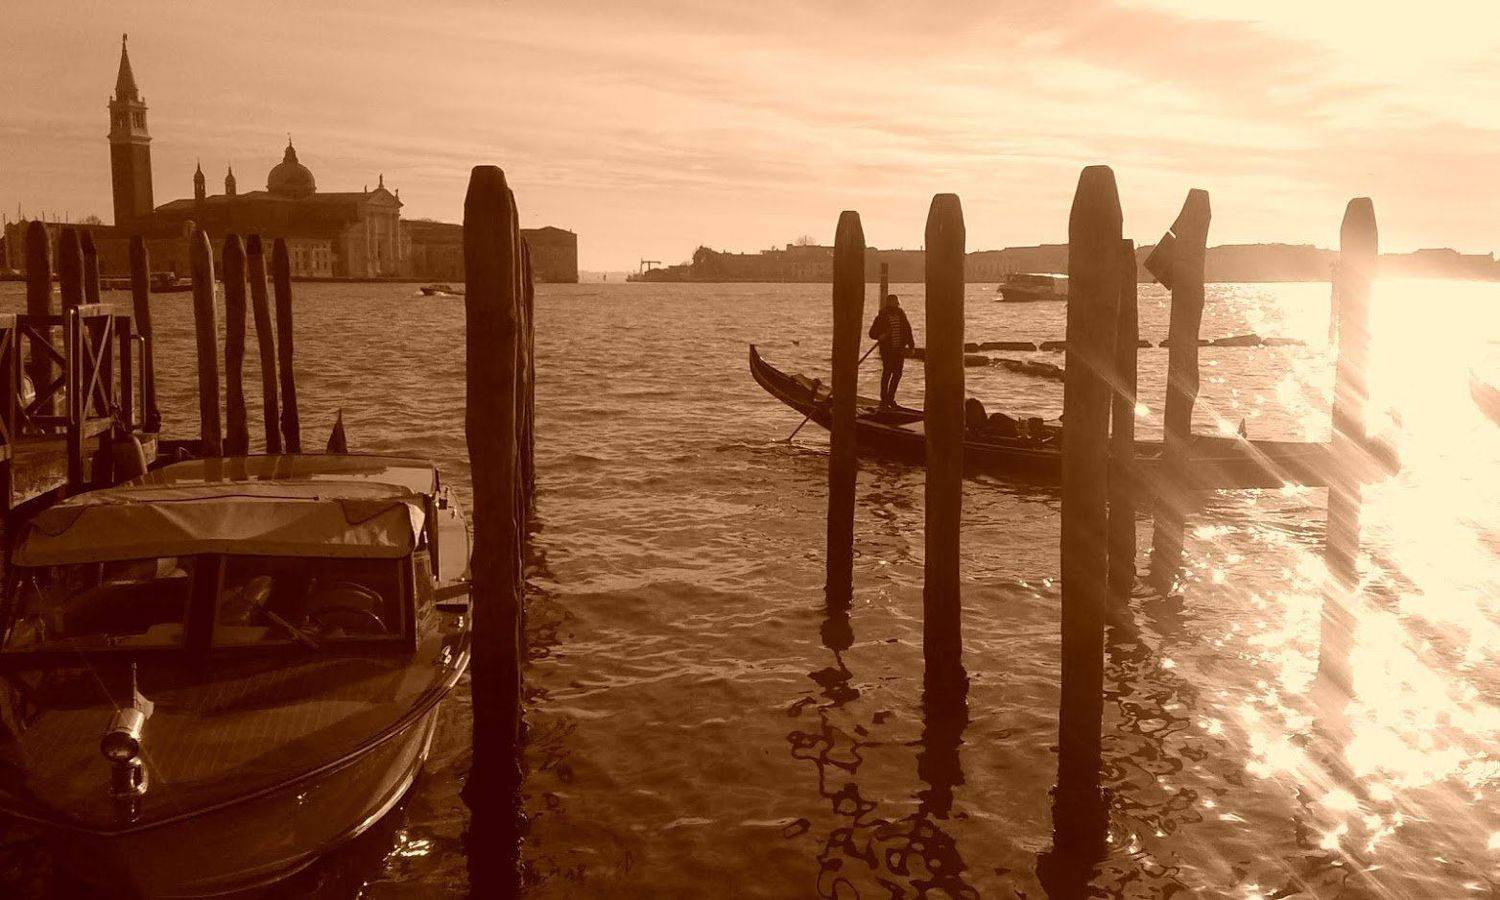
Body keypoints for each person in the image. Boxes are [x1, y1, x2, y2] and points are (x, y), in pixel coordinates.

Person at [868, 294, 916, 407]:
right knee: (887, 373)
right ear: (889, 303)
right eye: (894, 303)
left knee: (897, 374)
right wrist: (880, 336)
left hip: (899, 350)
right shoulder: (881, 317)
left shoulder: (901, 315)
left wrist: (911, 346)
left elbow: (908, 331)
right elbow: (872, 333)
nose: (896, 305)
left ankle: (890, 398)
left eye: (897, 303)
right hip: (887, 351)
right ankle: (884, 399)